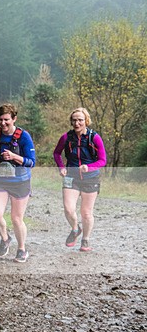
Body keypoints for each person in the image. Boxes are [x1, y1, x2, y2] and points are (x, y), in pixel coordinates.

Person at [0, 103, 36, 263]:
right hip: (0, 180)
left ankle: (22, 249)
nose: (3, 123)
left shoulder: (24, 137)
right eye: (0, 120)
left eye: (6, 120)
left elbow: (32, 162)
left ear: (14, 119)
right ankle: (6, 238)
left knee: (16, 218)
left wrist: (15, 157)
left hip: (20, 181)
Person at [52, 107, 107, 252]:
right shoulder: (66, 137)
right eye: (74, 120)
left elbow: (103, 160)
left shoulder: (94, 137)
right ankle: (75, 229)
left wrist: (89, 167)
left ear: (86, 121)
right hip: (71, 177)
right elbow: (57, 153)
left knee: (86, 212)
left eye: (80, 120)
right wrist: (61, 167)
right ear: (71, 121)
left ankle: (86, 240)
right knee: (69, 209)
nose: (77, 123)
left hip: (90, 178)